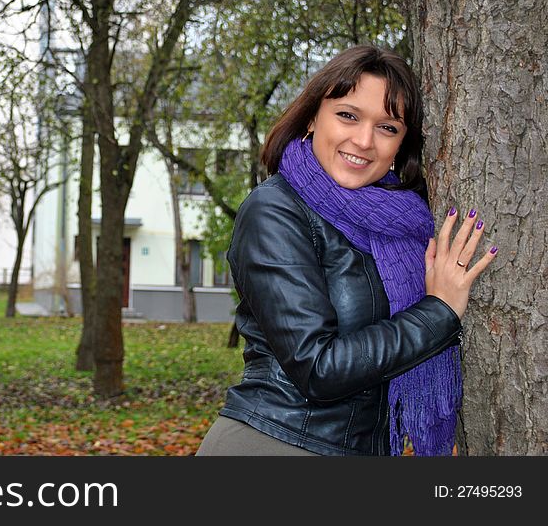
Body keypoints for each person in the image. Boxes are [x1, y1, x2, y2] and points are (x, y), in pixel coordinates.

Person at [196, 45, 498, 456]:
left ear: (401, 145)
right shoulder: (275, 211)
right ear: (311, 119)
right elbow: (318, 368)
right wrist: (438, 311)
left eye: (388, 127)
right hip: (275, 443)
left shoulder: (400, 226)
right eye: (348, 115)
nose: (364, 140)